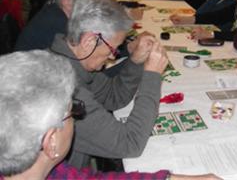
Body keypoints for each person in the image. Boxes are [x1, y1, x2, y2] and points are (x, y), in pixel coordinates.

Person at [0, 50, 220, 180]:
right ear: (51, 141)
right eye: (73, 111)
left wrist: (171, 178)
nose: (77, 117)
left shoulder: (48, 170)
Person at [47, 0, 167, 168]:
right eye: (113, 48)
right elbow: (129, 144)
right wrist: (152, 77)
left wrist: (135, 61)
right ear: (89, 41)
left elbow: (113, 96)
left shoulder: (71, 60)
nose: (112, 56)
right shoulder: (64, 87)